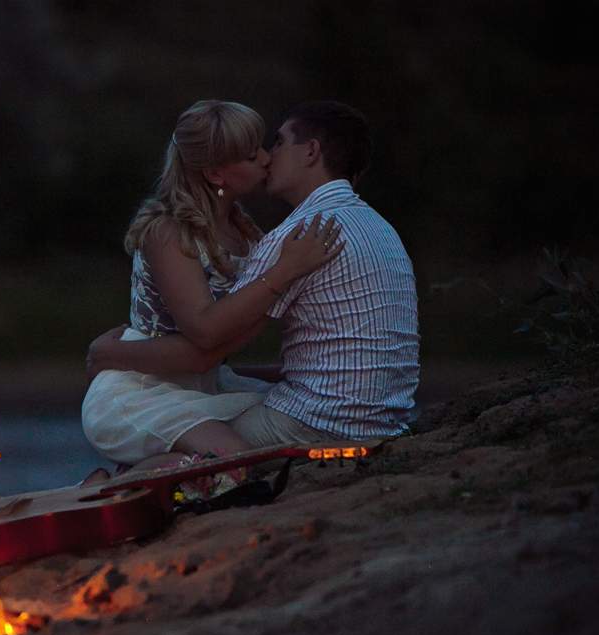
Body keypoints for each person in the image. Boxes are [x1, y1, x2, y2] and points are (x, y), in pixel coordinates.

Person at [88, 101, 419, 446]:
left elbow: (220, 347)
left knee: (234, 436)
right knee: (225, 449)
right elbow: (207, 338)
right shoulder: (172, 231)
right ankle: (117, 482)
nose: (266, 158)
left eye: (273, 144)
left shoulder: (256, 235)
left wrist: (106, 352)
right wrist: (108, 356)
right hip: (148, 387)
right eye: (252, 154)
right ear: (216, 174)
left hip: (202, 378)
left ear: (310, 152)